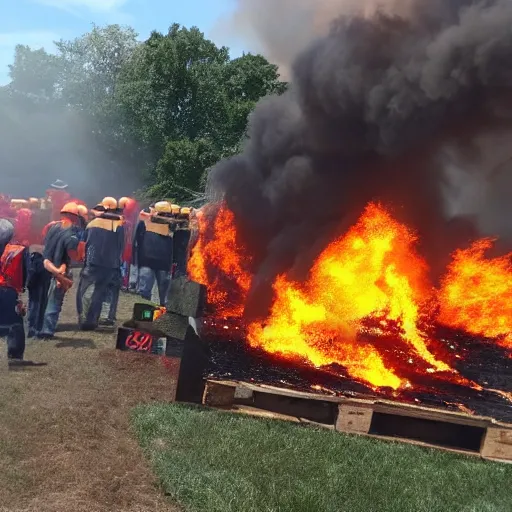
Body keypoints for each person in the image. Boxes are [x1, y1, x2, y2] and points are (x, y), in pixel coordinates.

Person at [35, 202, 84, 339]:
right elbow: (73, 254)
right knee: (55, 301)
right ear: (74, 216)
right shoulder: (72, 230)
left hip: (46, 266)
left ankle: (37, 328)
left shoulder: (51, 226)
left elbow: (44, 243)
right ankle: (47, 330)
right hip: (60, 268)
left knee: (42, 300)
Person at [77, 197, 124, 330]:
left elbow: (85, 244)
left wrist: (86, 261)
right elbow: (121, 246)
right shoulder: (119, 225)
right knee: (100, 292)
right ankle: (95, 319)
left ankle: (85, 319)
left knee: (86, 291)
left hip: (93, 263)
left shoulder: (93, 223)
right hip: (111, 264)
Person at [134, 201, 174, 306]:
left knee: (156, 290)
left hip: (157, 261)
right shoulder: (146, 221)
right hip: (151, 260)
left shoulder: (172, 224)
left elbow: (138, 239)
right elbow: (138, 238)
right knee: (147, 290)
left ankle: (152, 312)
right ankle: (144, 313)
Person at [0, 219, 28, 361]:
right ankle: (15, 353)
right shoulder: (18, 250)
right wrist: (21, 287)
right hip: (9, 289)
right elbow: (24, 271)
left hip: (7, 287)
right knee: (15, 322)